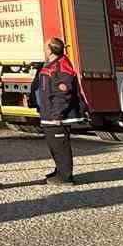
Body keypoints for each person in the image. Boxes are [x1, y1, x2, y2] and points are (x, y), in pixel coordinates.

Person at [29, 37, 81, 185]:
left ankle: (65, 177)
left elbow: (63, 94)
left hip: (56, 116)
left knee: (60, 146)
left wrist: (57, 115)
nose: (44, 50)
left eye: (45, 47)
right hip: (48, 113)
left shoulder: (61, 66)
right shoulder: (51, 65)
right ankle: (59, 171)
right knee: (54, 146)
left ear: (51, 51)